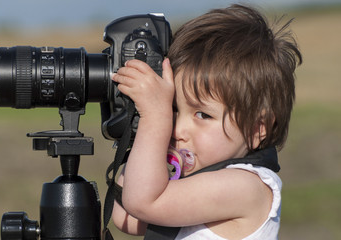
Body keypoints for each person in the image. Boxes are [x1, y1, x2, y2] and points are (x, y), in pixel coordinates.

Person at [110, 4, 302, 240]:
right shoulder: (195, 184)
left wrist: (155, 119)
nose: (178, 130)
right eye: (173, 110)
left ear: (257, 129)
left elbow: (142, 203)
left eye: (203, 115)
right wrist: (143, 127)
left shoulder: (246, 187)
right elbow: (126, 217)